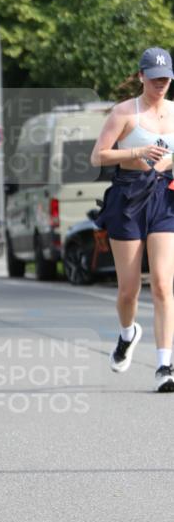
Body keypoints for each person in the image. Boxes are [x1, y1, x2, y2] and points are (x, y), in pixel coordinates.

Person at [91, 47, 174, 393]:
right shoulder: (124, 112)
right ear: (141, 77)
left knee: (162, 284)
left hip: (163, 198)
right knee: (129, 290)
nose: (161, 86)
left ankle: (165, 366)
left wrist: (166, 164)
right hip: (127, 196)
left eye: (166, 80)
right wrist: (138, 152)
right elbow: (98, 156)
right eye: (155, 80)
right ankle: (127, 335)